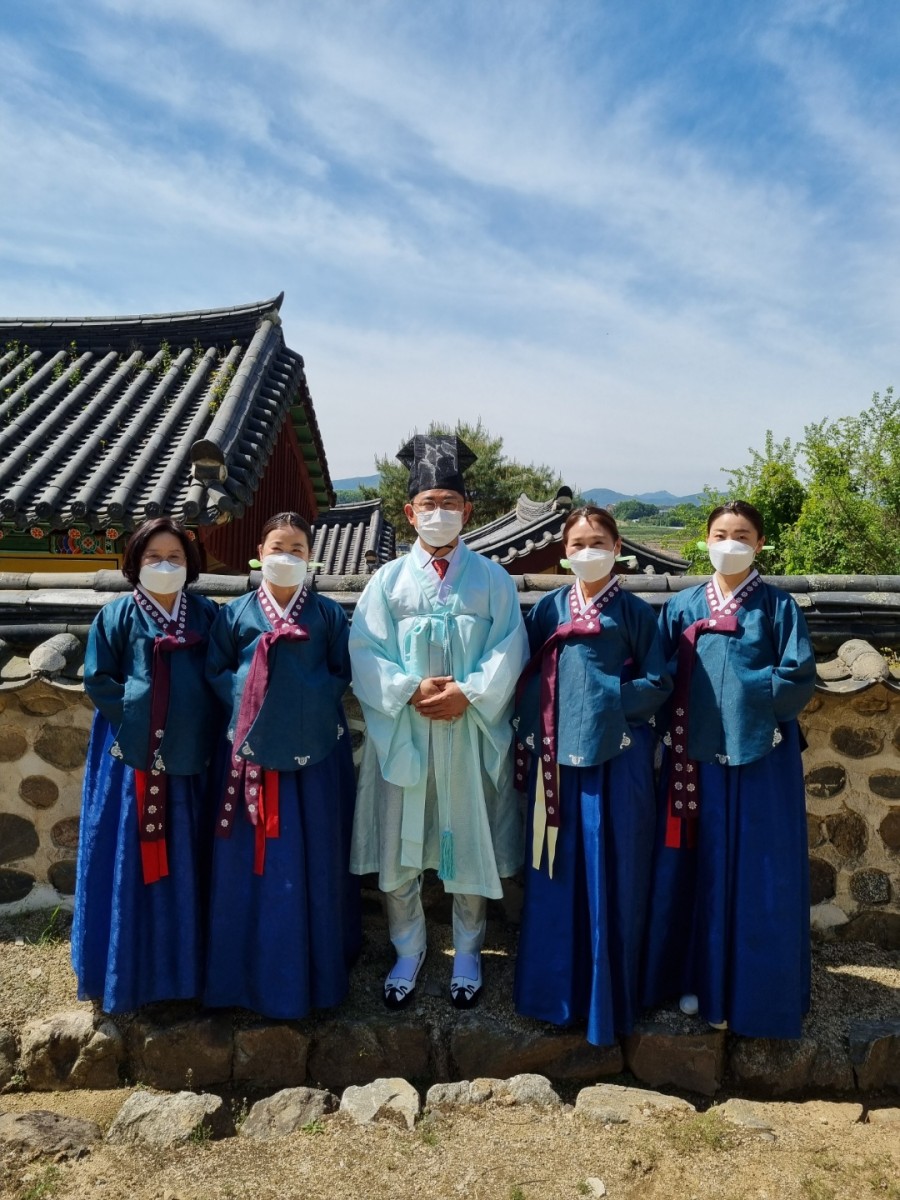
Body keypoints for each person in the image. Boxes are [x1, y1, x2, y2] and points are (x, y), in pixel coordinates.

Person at [349, 434, 528, 1009]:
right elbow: (364, 649)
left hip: (468, 731)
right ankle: (408, 948)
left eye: (450, 502)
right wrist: (408, 690)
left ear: (467, 511)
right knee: (399, 845)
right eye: (429, 503)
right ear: (410, 512)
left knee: (467, 839)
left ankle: (468, 951)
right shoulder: (388, 581)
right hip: (404, 731)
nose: (439, 512)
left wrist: (470, 694)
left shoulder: (493, 579)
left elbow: (510, 647)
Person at [642, 500, 817, 1037]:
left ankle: (754, 991)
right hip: (692, 762)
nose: (730, 543)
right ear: (706, 539)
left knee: (758, 871)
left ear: (760, 543)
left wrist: (745, 692)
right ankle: (692, 978)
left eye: (742, 535)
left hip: (761, 757)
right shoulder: (683, 605)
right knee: (692, 868)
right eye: (720, 534)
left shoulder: (778, 607)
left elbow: (798, 676)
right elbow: (660, 673)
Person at [512, 506, 672, 1045]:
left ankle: (608, 1002)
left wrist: (606, 706)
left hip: (618, 759)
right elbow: (528, 673)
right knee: (554, 871)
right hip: (556, 762)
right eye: (577, 544)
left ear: (618, 547)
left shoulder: (635, 612)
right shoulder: (548, 608)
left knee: (615, 872)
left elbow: (657, 681)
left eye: (598, 542)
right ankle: (551, 996)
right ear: (564, 552)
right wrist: (540, 729)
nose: (588, 552)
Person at [203, 511, 360, 1019]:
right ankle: (241, 971)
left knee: (317, 854)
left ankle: (316, 969)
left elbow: (340, 672)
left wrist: (302, 705)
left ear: (311, 556)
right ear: (259, 553)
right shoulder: (235, 614)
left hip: (315, 754)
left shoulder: (328, 614)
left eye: (297, 549)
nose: (286, 556)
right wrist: (255, 707)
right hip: (249, 753)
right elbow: (217, 671)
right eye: (277, 547)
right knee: (248, 862)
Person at [72, 517, 219, 1013]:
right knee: (129, 859)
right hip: (131, 759)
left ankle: (188, 972)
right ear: (135, 562)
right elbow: (99, 680)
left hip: (192, 758)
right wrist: (149, 719)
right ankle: (125, 971)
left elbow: (220, 675)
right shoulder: (115, 616)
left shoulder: (206, 614)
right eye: (153, 557)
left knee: (189, 857)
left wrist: (191, 722)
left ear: (190, 564)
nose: (164, 565)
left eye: (175, 557)